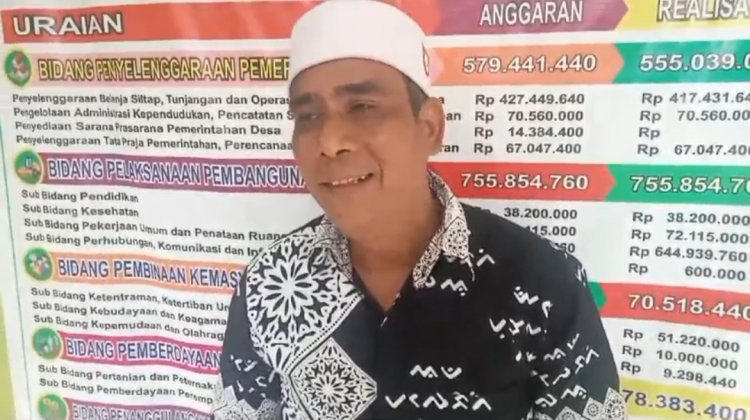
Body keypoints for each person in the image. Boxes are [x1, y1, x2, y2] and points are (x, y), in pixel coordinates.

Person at [210, 1, 626, 419]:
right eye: (308, 115)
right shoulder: (270, 281)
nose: (330, 141)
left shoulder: (544, 284)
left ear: (429, 127)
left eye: (362, 107)